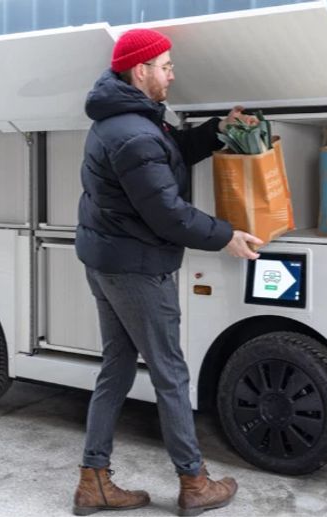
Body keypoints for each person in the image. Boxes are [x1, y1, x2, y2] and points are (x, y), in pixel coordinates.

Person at [73, 28, 263, 516]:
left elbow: (169, 151)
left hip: (110, 262)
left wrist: (219, 129)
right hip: (137, 268)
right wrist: (226, 235)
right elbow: (168, 214)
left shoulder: (129, 121)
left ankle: (93, 482)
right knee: (171, 375)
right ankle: (194, 483)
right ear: (141, 71)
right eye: (166, 66)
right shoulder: (134, 132)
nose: (173, 73)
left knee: (116, 368)